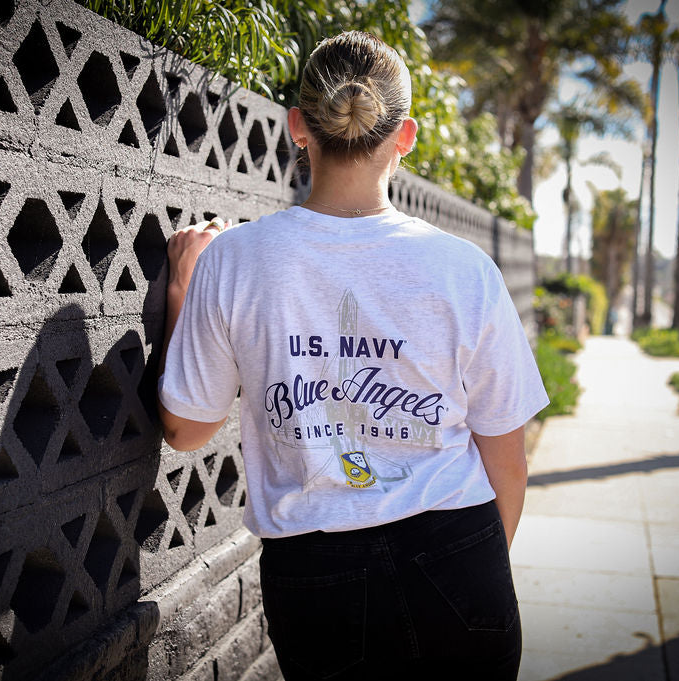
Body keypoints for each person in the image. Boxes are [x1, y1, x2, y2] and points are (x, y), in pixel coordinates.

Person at [157, 31, 549, 680]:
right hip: (462, 558)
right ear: (407, 136)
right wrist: (472, 569)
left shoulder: (233, 260)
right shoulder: (463, 269)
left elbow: (186, 429)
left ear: (297, 127)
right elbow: (508, 461)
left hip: (319, 580)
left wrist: (181, 289)